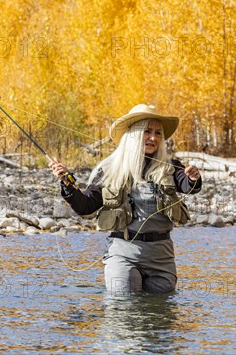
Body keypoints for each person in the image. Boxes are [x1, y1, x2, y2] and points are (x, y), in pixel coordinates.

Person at [49, 104, 202, 295]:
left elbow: (189, 185)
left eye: (157, 133)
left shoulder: (170, 167)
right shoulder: (110, 168)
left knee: (160, 315)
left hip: (162, 258)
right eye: (147, 131)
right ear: (133, 133)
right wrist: (67, 185)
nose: (153, 138)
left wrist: (193, 178)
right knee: (123, 305)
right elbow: (86, 206)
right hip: (123, 254)